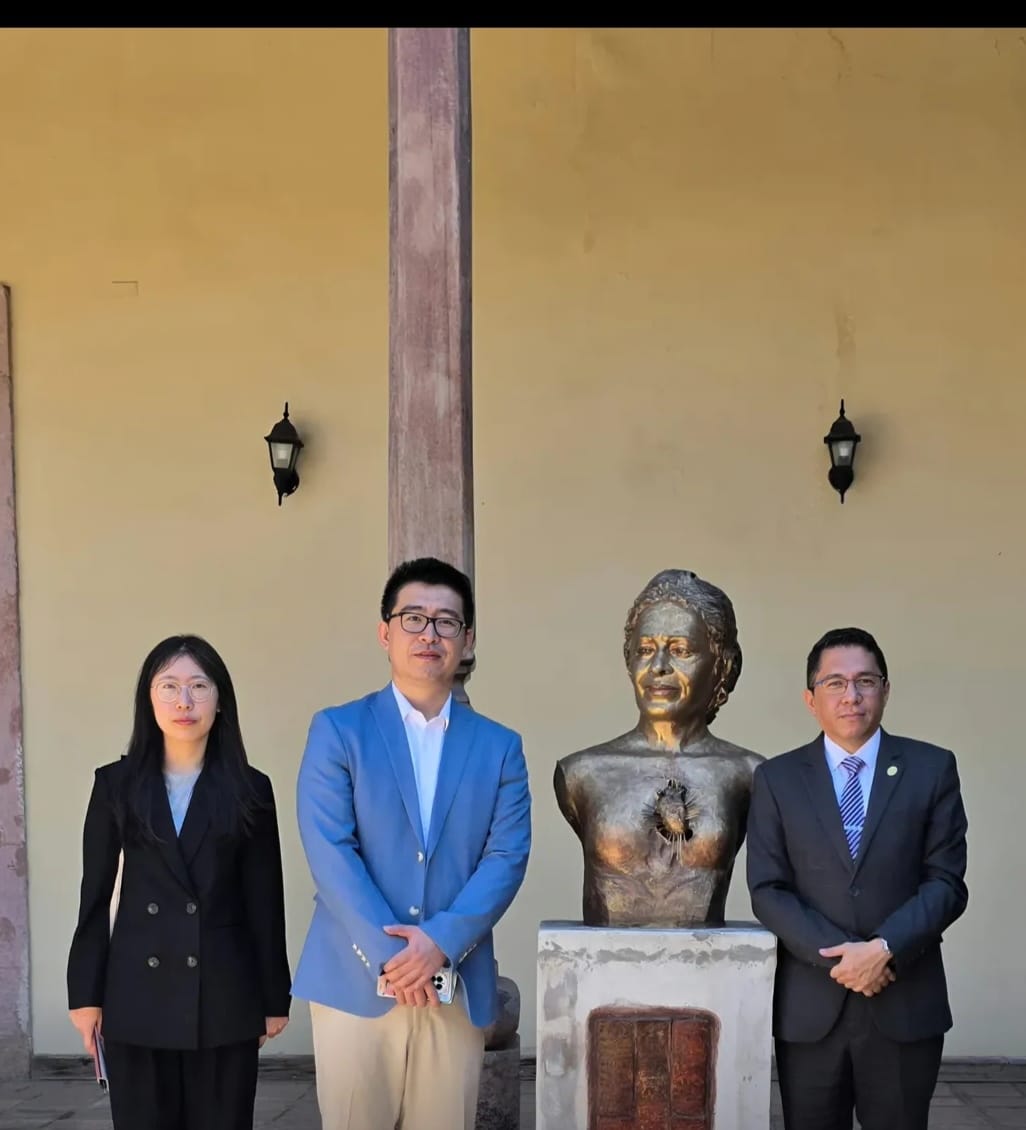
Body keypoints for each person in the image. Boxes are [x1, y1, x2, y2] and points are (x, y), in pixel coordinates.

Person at [294, 556, 532, 1130]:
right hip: (355, 982)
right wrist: (397, 957)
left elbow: (506, 855)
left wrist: (438, 944)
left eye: (447, 622)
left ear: (467, 639)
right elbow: (330, 850)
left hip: (454, 981)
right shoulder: (338, 730)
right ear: (385, 632)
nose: (430, 634)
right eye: (414, 618)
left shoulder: (499, 746)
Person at [746, 626, 969, 1130]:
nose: (852, 695)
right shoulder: (777, 780)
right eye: (835, 683)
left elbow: (946, 882)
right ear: (810, 698)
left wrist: (882, 948)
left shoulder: (931, 769)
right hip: (811, 1008)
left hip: (904, 1000)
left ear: (885, 691)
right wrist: (844, 959)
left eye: (866, 681)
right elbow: (768, 889)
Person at [66, 634, 292, 1130]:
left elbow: (264, 901)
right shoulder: (115, 784)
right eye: (168, 686)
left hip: (225, 996)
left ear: (220, 699)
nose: (183, 701)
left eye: (198, 686)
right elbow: (95, 896)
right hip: (136, 997)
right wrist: (85, 995)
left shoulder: (251, 788)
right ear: (148, 699)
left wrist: (275, 998)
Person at [554, 568, 763, 927]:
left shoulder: (750, 775)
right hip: (604, 966)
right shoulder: (580, 773)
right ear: (629, 659)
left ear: (722, 666)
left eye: (681, 650)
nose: (659, 667)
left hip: (707, 967)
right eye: (646, 650)